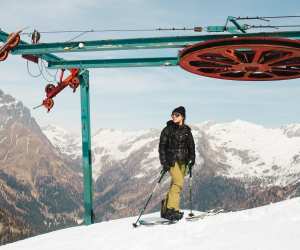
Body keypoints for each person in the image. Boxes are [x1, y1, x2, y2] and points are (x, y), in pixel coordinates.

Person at [158, 106, 195, 221]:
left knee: (174, 184)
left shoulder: (187, 130)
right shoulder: (167, 130)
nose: (174, 117)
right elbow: (162, 147)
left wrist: (191, 160)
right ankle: (172, 209)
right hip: (172, 161)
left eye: (176, 115)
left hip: (183, 162)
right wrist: (164, 162)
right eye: (172, 115)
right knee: (178, 182)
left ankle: (165, 209)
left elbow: (191, 146)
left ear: (182, 116)